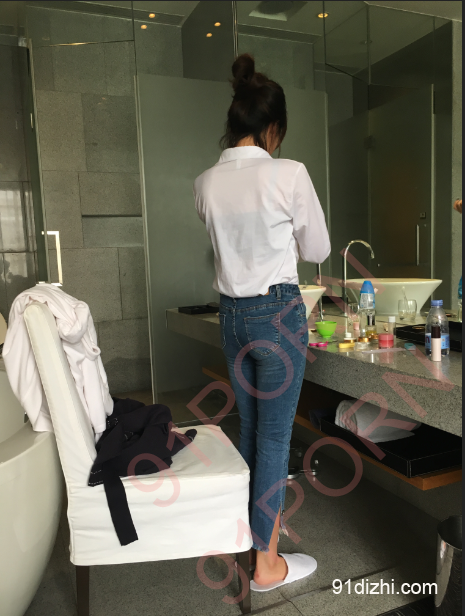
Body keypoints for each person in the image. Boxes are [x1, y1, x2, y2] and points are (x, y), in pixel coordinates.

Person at [193, 54, 330, 591]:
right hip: (277, 315)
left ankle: (253, 539)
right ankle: (267, 562)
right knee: (274, 439)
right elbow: (317, 249)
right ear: (274, 127)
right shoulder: (287, 173)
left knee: (250, 431)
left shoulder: (205, 182)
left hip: (231, 318)